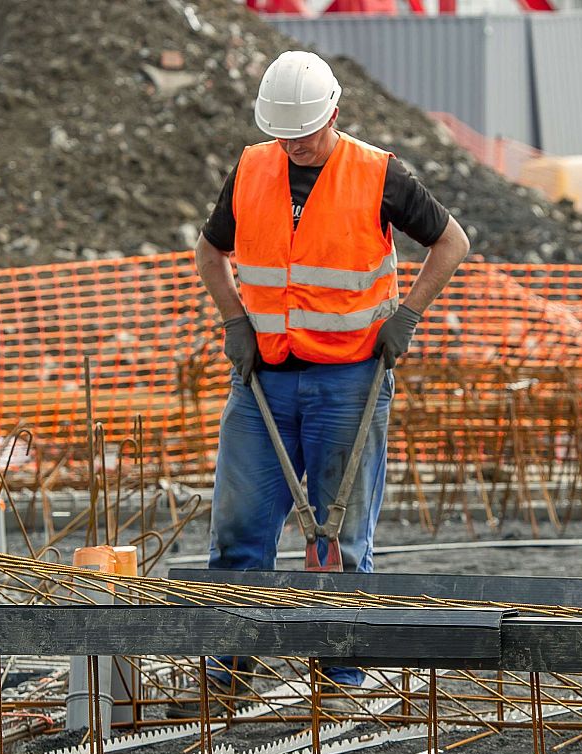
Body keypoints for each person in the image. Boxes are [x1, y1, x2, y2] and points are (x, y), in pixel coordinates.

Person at [191, 50, 470, 710]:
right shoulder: (253, 167)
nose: (294, 146)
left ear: (334, 116)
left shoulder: (379, 174)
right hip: (264, 381)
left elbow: (452, 241)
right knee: (238, 534)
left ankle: (337, 681)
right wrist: (235, 319)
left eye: (306, 134)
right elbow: (211, 249)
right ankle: (228, 676)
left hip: (348, 379)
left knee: (338, 541)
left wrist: (407, 314)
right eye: (284, 135)